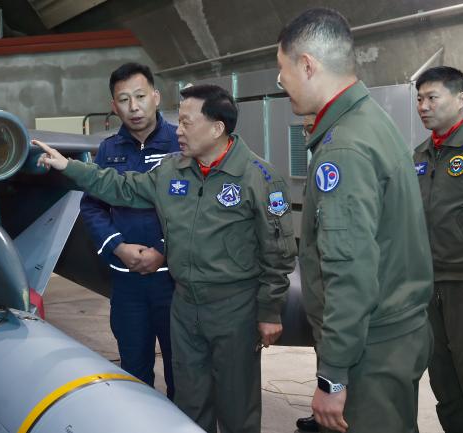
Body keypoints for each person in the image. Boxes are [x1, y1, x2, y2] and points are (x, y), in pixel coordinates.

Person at [34, 84, 297, 433]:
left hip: (234, 309)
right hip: (184, 304)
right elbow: (121, 186)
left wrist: (269, 310)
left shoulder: (259, 177)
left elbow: (278, 252)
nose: (179, 131)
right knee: (189, 401)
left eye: (187, 123)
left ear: (217, 128)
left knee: (237, 405)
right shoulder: (173, 171)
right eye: (180, 121)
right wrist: (69, 167)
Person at [276, 8, 434, 433]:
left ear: (307, 65)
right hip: (396, 333)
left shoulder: (343, 147)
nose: (282, 85)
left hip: (372, 346)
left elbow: (350, 272)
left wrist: (333, 375)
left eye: (282, 72)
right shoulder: (370, 121)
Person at [80, 62, 178, 399]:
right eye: (124, 100)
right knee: (134, 372)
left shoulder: (180, 144)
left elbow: (197, 209)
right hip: (126, 283)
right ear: (113, 106)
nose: (133, 107)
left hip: (174, 281)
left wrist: (164, 250)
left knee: (182, 371)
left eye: (140, 96)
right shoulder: (108, 150)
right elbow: (92, 206)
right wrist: (118, 247)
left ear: (156, 96)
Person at [413, 66, 463, 433]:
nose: (423, 106)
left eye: (432, 97)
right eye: (419, 98)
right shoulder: (420, 156)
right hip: (431, 285)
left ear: (460, 100)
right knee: (444, 384)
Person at [295, 113, 320, 433]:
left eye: (310, 126)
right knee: (324, 348)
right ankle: (324, 413)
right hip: (319, 276)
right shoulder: (318, 160)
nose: (305, 133)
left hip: (338, 276)